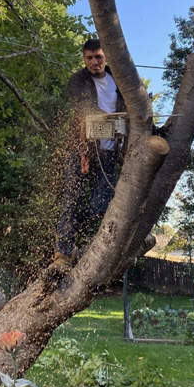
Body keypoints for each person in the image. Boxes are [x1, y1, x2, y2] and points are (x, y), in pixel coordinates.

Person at [54, 39, 126, 268]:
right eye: (90, 58)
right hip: (81, 149)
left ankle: (82, 245)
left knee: (101, 204)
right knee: (72, 199)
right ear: (84, 59)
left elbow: (134, 106)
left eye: (99, 57)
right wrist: (116, 120)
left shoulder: (120, 79)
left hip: (108, 152)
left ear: (106, 57)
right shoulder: (78, 80)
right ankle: (62, 254)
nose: (95, 62)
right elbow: (83, 107)